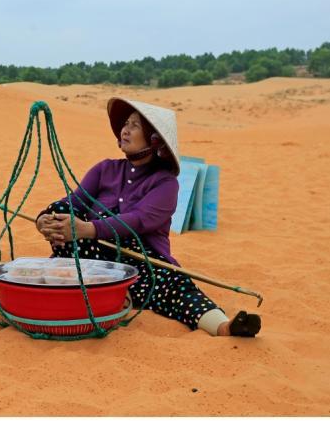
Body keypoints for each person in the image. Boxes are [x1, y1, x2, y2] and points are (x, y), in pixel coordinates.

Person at [35, 98, 261, 337]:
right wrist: (46, 219)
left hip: (141, 261)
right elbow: (75, 201)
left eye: (134, 126)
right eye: (125, 124)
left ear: (154, 140)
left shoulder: (165, 183)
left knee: (172, 285)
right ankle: (110, 294)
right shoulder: (105, 169)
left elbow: (139, 220)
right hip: (93, 256)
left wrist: (88, 228)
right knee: (67, 234)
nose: (125, 130)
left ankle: (224, 327)